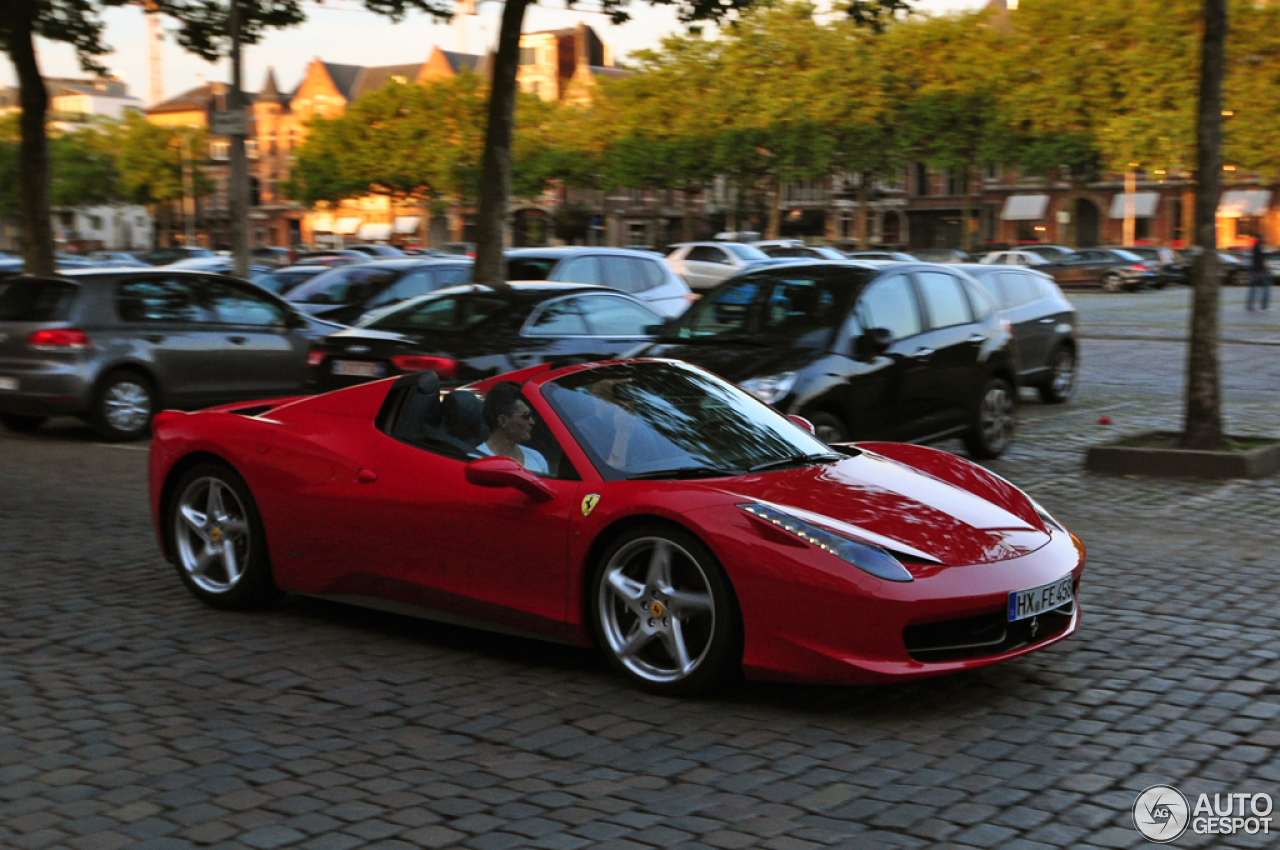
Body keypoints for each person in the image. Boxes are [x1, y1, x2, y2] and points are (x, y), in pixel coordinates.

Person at [478, 381, 549, 474]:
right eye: (526, 416)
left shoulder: (537, 458)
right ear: (503, 421)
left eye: (532, 416)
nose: (532, 422)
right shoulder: (477, 460)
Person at [1247, 237, 1271, 311]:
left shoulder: (1256, 248)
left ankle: (1250, 306)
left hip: (1256, 270)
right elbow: (1258, 261)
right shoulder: (1258, 249)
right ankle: (1263, 306)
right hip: (1258, 271)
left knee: (1253, 288)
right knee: (1265, 288)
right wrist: (1259, 271)